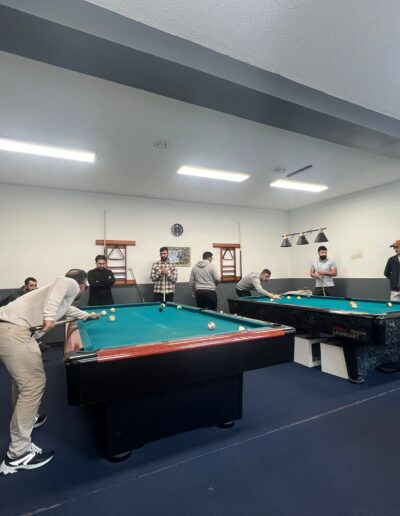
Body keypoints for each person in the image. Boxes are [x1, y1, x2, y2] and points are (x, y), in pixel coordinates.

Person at [0, 269, 100, 475]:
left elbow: (68, 309)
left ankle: (28, 419)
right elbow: (62, 282)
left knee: (23, 383)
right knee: (33, 385)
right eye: (84, 287)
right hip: (15, 333)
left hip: (8, 330)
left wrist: (87, 315)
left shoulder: (58, 297)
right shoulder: (69, 283)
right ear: (83, 284)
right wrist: (48, 317)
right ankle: (18, 454)